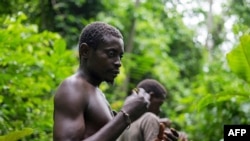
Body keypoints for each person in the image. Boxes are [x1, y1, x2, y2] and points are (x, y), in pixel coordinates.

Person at [53, 22, 150, 141]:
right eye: (111, 54)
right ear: (85, 51)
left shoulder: (97, 93)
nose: (118, 62)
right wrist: (126, 115)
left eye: (120, 56)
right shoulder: (73, 87)